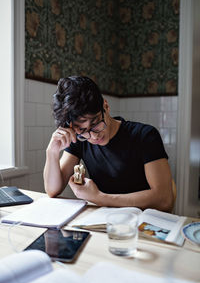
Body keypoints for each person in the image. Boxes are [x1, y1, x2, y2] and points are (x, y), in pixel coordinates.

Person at [44, 76, 174, 212]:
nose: (93, 135)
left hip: (143, 223)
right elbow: (53, 190)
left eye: (95, 123)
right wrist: (52, 152)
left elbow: (164, 200)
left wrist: (100, 198)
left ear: (105, 106)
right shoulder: (79, 139)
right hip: (103, 221)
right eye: (82, 129)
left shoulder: (145, 135)